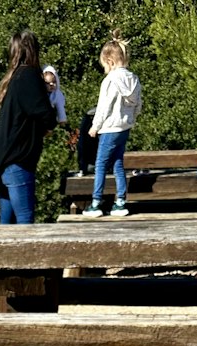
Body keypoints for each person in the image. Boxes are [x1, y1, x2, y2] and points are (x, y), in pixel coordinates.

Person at [0, 30, 58, 224]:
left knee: (6, 226)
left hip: (7, 161)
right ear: (33, 50)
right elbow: (45, 114)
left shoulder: (15, 77)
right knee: (25, 226)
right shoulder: (29, 76)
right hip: (19, 160)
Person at [82, 36, 142, 217]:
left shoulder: (109, 81)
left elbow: (103, 107)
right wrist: (132, 118)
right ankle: (121, 202)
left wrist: (95, 126)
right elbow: (138, 103)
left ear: (110, 61)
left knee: (100, 164)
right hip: (124, 128)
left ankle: (96, 202)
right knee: (117, 164)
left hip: (109, 128)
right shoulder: (134, 79)